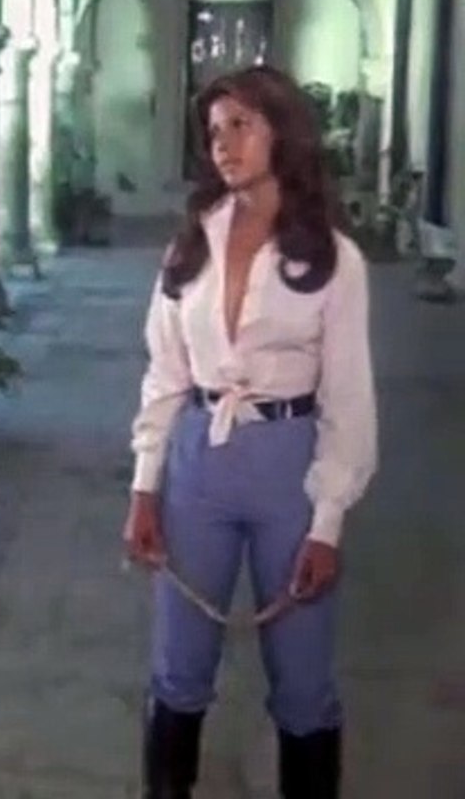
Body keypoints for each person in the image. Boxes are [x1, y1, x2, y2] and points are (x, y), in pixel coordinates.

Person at [121, 65, 377, 799]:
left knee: (302, 679)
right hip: (199, 462)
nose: (223, 144)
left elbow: (349, 399)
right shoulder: (190, 247)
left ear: (282, 133)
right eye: (213, 131)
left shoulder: (333, 260)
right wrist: (144, 488)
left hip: (289, 467)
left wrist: (327, 523)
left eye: (241, 125)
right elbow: (164, 374)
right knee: (178, 668)